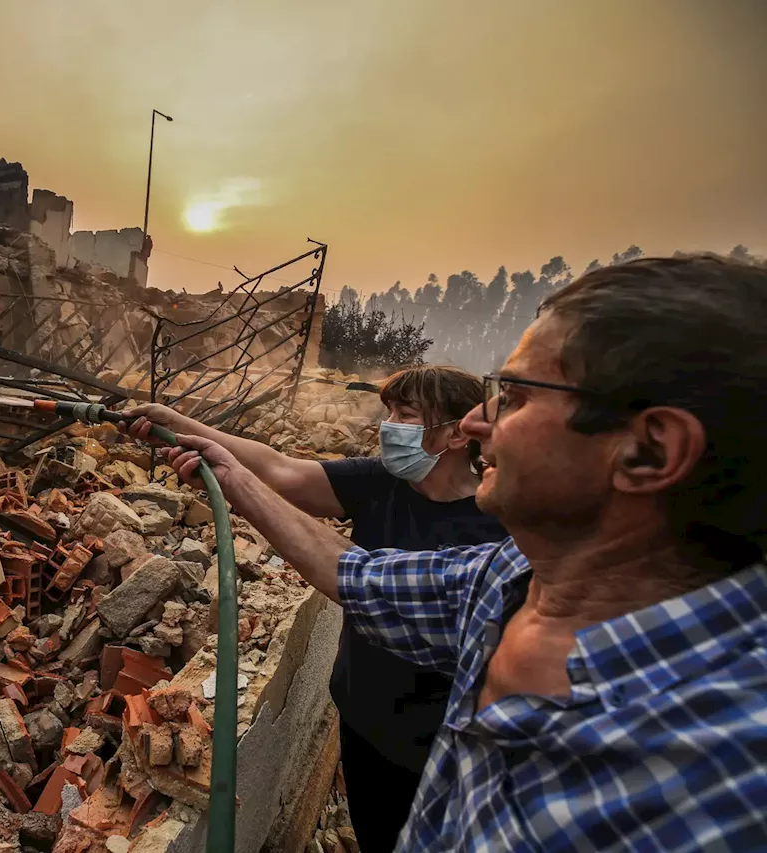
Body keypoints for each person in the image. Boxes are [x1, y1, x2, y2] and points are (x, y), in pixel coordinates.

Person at [157, 255, 767, 851]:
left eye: (517, 397)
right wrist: (231, 475)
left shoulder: (721, 787)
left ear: (649, 452)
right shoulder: (506, 580)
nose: (479, 423)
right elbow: (355, 572)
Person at [125, 366, 507, 853]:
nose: (388, 425)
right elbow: (281, 470)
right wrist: (180, 423)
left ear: (457, 432)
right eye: (388, 410)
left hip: (434, 748)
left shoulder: (495, 528)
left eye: (406, 415)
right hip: (364, 718)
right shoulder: (383, 481)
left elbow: (353, 576)